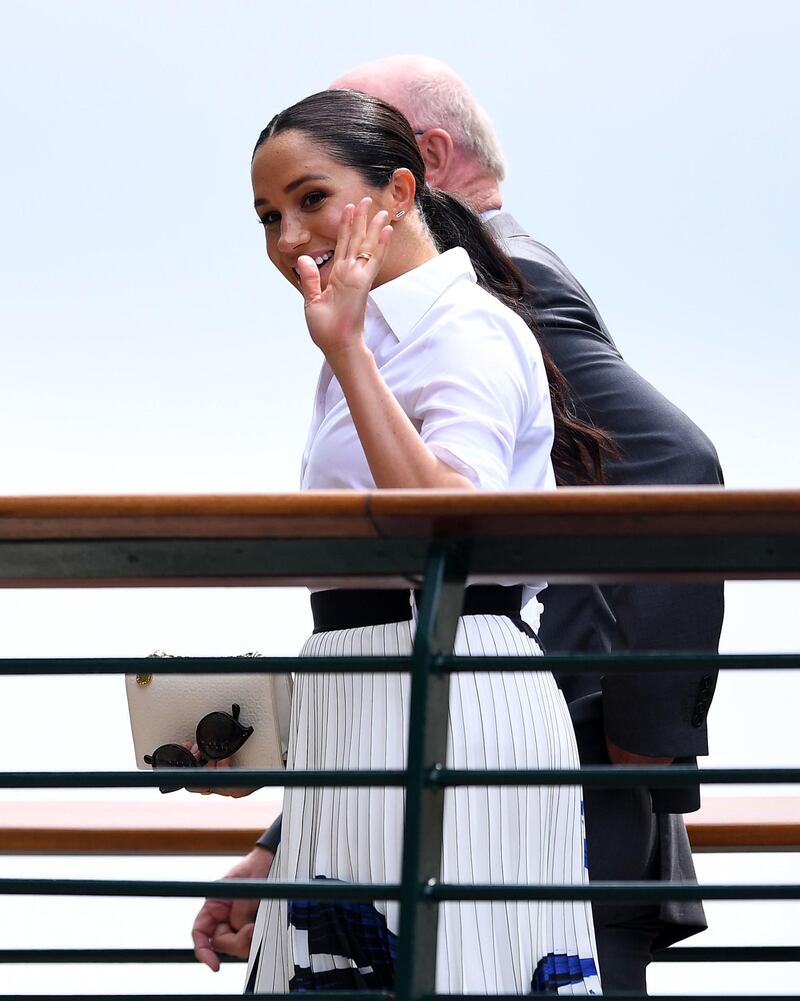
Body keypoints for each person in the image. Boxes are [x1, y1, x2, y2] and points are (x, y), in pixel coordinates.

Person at [191, 57, 724, 995]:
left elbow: (450, 515)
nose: (287, 237)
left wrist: (348, 348)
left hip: (456, 699)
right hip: (372, 698)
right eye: (270, 216)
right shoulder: (368, 334)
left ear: (402, 189)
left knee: (460, 966)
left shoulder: (465, 325)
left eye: (312, 199)